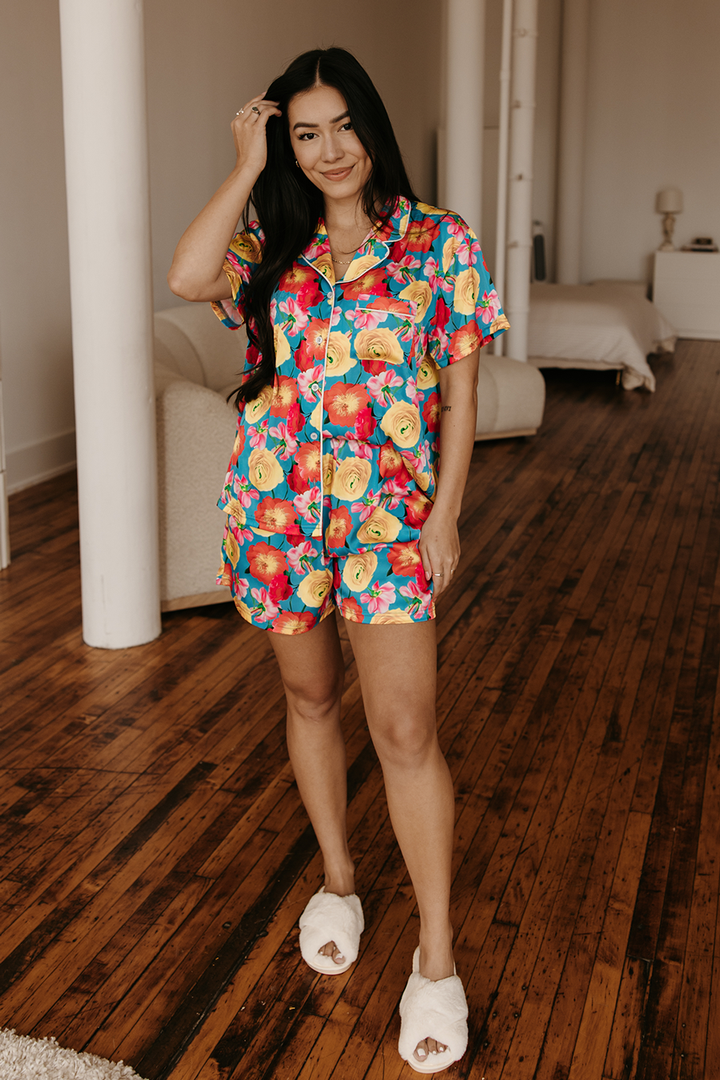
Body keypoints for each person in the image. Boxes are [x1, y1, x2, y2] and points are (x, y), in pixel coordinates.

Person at [168, 47, 508, 1075]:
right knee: (311, 700)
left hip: (390, 522)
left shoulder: (438, 242)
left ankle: (436, 959)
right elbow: (186, 276)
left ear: (372, 125)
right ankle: (339, 881)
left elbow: (460, 391)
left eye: (343, 126)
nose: (329, 151)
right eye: (306, 133)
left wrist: (447, 514)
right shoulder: (271, 242)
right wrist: (246, 163)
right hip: (278, 518)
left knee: (406, 731)